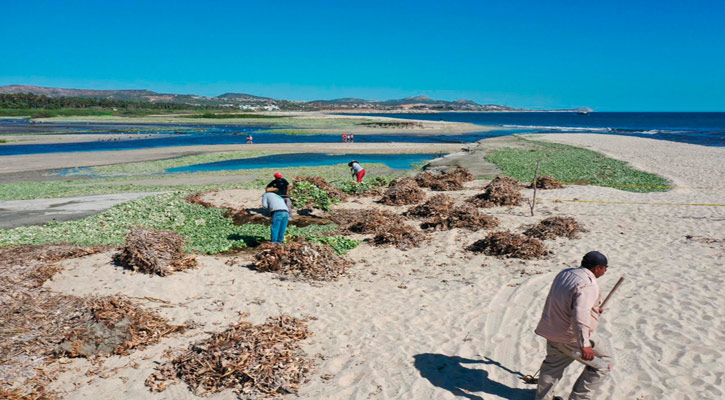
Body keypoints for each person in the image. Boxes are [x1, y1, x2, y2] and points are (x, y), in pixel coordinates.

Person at [533, 251, 613, 400]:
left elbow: (567, 301)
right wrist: (584, 344)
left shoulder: (565, 273)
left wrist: (594, 310)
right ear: (597, 268)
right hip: (571, 337)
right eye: (604, 267)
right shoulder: (588, 284)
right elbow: (580, 315)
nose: (605, 270)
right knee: (604, 364)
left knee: (552, 366)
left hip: (551, 330)